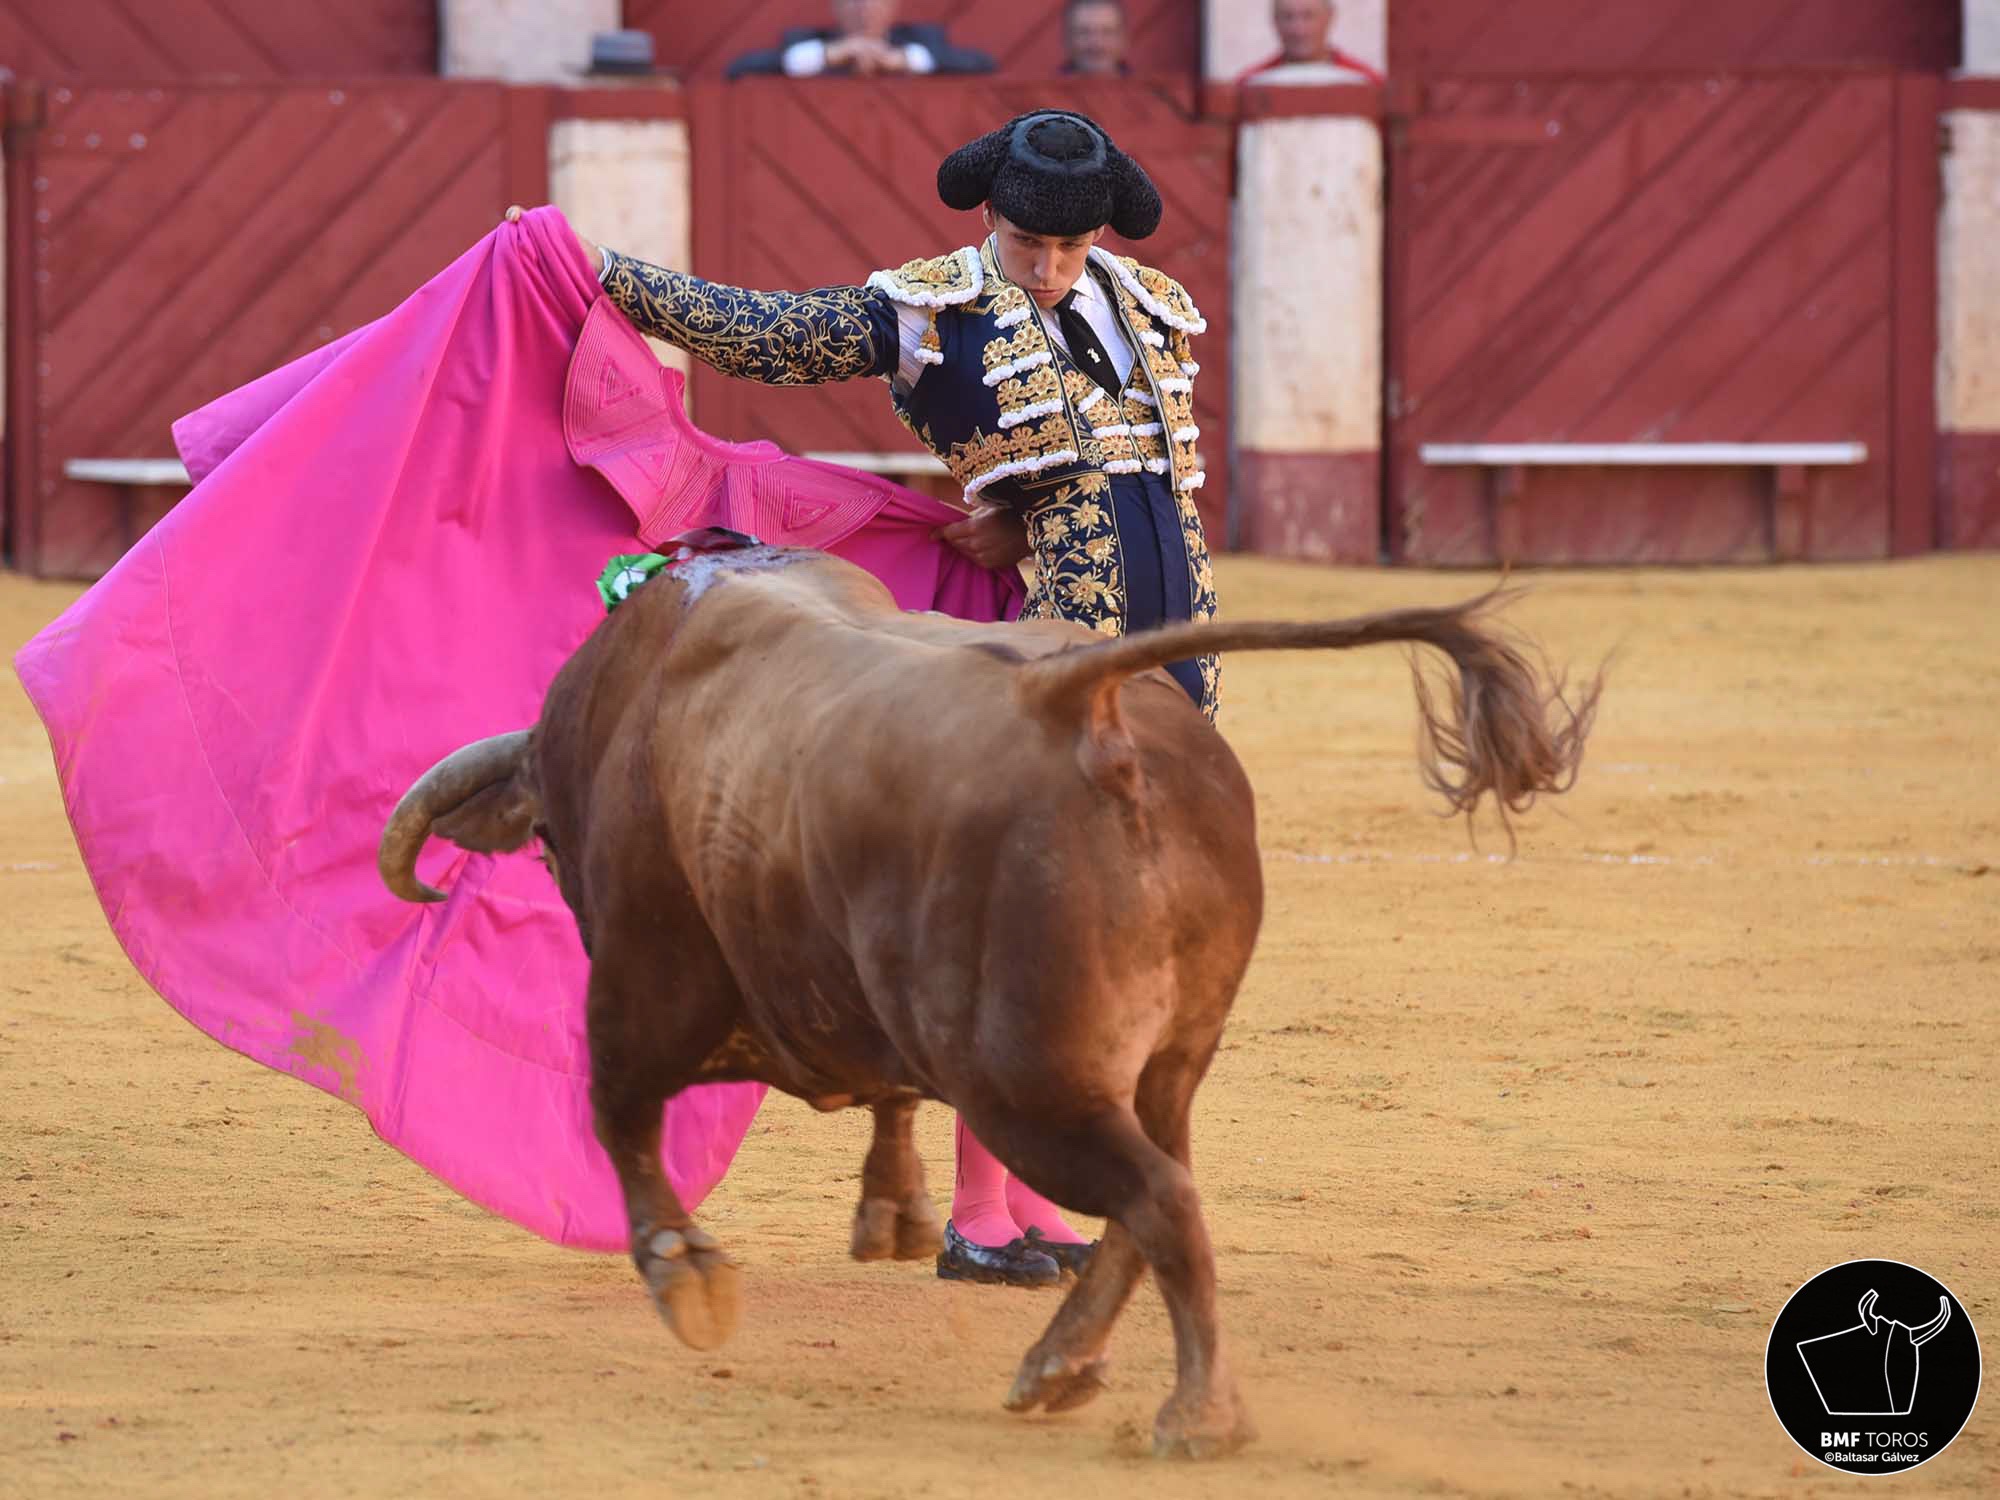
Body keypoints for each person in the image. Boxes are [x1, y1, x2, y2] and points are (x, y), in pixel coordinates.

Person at [570, 108, 1220, 1284]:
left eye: (1070, 249)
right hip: (1024, 662)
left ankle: (1037, 1194)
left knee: (1114, 932)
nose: (1048, 267)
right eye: (1029, 243)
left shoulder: (1149, 308)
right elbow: (760, 335)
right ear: (989, 218)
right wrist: (602, 273)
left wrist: (1019, 507)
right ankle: (986, 1209)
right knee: (1026, 925)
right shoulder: (927, 308)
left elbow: (1135, 479)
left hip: (1171, 658)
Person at [726, 0, 995, 79]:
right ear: (835, 7)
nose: (864, 9)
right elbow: (739, 69)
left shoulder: (923, 39)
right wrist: (829, 55)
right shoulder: (805, 41)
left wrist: (900, 60)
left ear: (893, 6)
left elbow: (983, 65)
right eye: (853, 0)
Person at [1238, 0, 1384, 85]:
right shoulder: (1251, 84)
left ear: (1329, 17)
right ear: (1274, 20)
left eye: (1308, 16)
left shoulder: (1365, 82)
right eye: (1288, 17)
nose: (1298, 30)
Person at [1061, 0, 1130, 77]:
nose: (1096, 43)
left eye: (1107, 32)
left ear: (1123, 39)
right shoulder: (1046, 86)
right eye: (1084, 32)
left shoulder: (1143, 86)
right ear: (1067, 39)